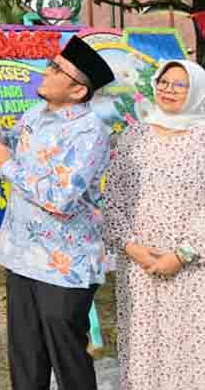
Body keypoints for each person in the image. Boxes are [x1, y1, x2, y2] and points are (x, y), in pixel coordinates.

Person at [0, 35, 115, 390]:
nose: (46, 71)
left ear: (78, 91)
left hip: (65, 264)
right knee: (26, 357)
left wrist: (6, 167)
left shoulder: (90, 132)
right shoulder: (35, 114)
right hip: (21, 254)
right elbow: (3, 150)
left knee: (68, 359)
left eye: (56, 69)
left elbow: (61, 198)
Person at [103, 60, 205, 390]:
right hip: (138, 269)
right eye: (163, 82)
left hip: (191, 269)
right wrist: (135, 250)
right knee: (142, 351)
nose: (168, 90)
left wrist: (181, 255)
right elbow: (113, 201)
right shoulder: (134, 136)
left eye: (179, 85)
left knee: (189, 352)